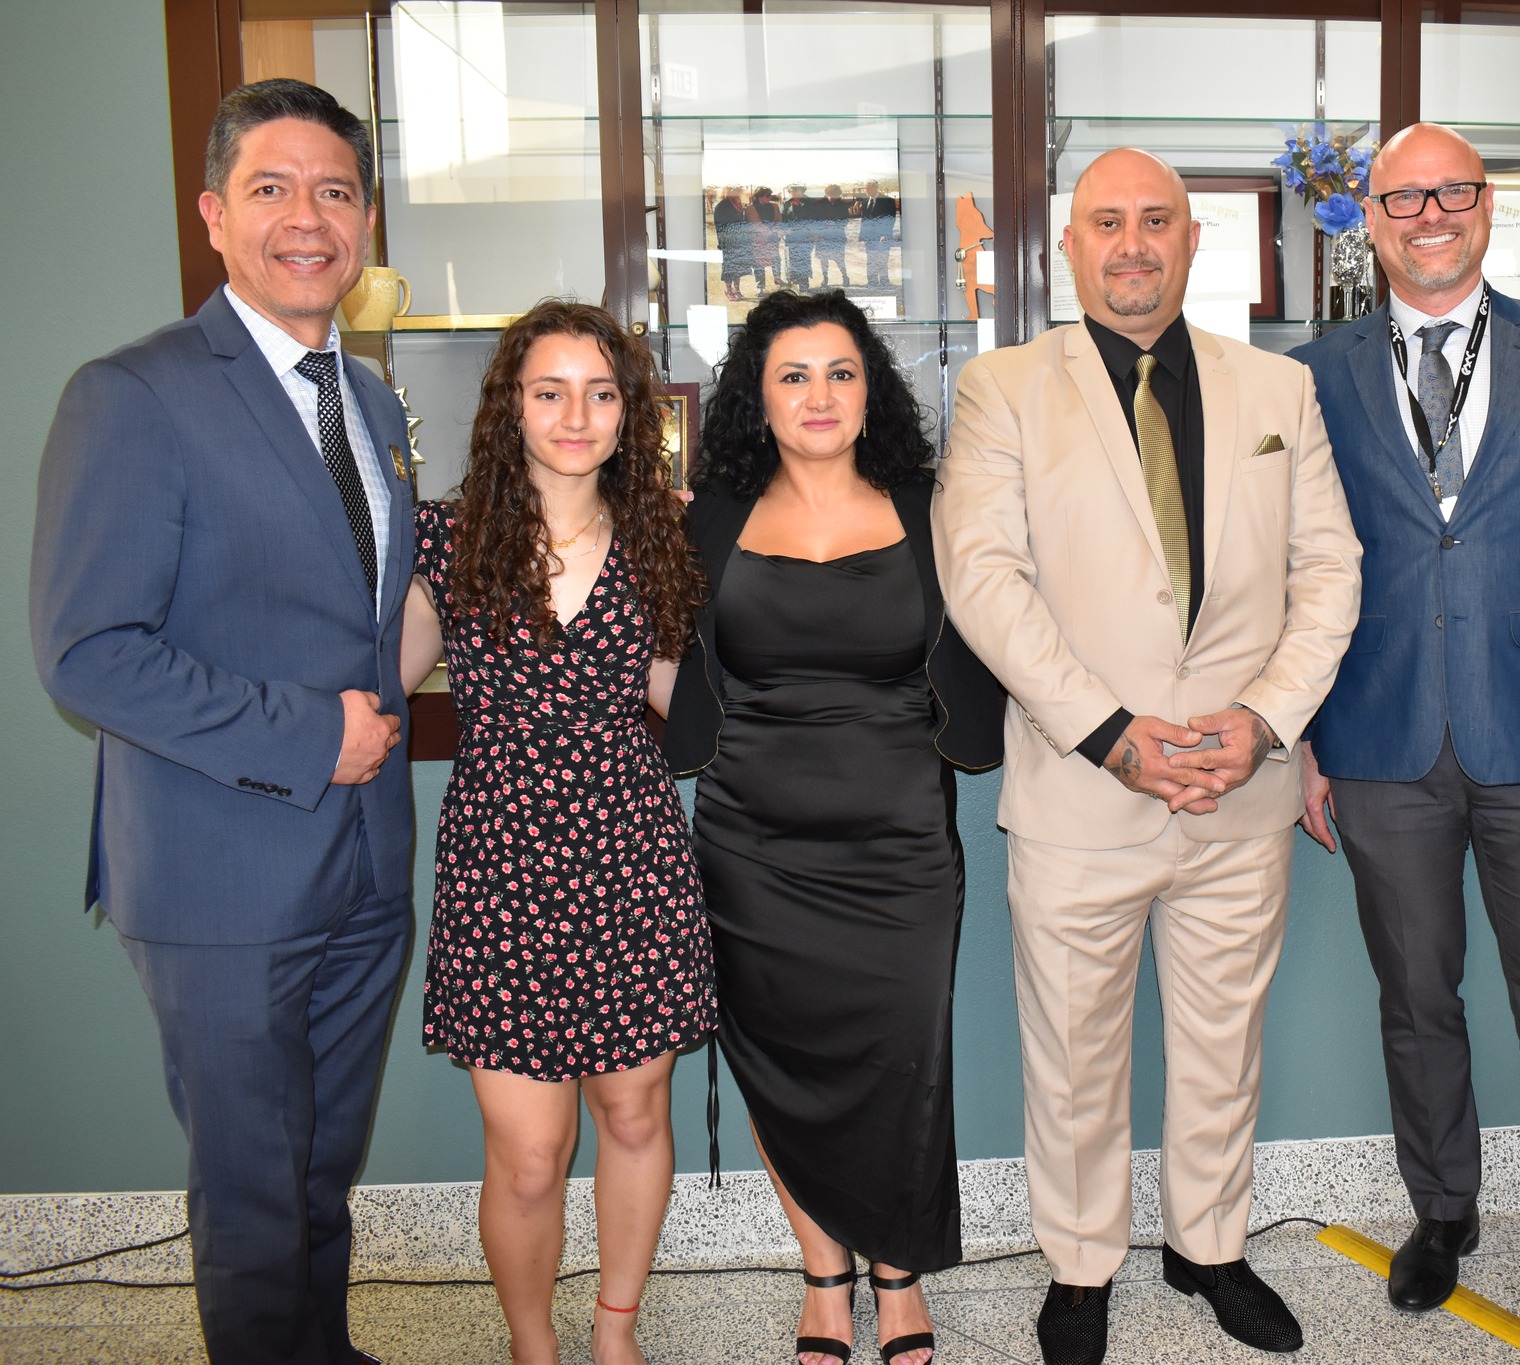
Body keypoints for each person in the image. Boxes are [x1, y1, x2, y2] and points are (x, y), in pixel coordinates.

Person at [934, 148, 1361, 1365]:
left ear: (1191, 242)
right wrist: (1112, 735)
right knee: (1071, 1058)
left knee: (1224, 1045)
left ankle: (1209, 1247)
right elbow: (982, 579)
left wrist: (1266, 719)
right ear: (1069, 247)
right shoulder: (1001, 387)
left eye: (1156, 222)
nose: (1132, 244)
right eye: (1106, 223)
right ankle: (1079, 1269)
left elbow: (1327, 570)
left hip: (1239, 790)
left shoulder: (1273, 391)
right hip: (1082, 791)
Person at [29, 78, 412, 1363]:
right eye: (271, 188)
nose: (308, 219)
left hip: (362, 868)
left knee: (315, 1174)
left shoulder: (360, 398)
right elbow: (90, 655)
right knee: (251, 1199)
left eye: (336, 192)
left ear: (363, 221)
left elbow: (359, 613)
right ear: (212, 213)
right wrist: (312, 734)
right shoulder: (131, 395)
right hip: (218, 877)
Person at [1289, 123, 1520, 1365]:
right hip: (1378, 738)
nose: (1428, 213)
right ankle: (1441, 1211)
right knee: (1414, 1001)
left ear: (1485, 205)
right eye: (1404, 197)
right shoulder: (1315, 370)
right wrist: (1300, 737)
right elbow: (1294, 569)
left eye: (1450, 192)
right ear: (1371, 217)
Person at [665, 288, 1005, 1365]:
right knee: (779, 1063)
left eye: (842, 372)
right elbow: (659, 661)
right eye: (794, 376)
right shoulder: (708, 515)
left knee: (904, 1060)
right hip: (749, 849)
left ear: (872, 390)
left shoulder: (930, 506)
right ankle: (824, 1275)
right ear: (755, 400)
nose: (820, 396)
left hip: (900, 843)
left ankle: (896, 1279)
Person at [397, 300, 716, 1364]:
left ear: (630, 413)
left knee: (632, 1115)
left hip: (630, 860)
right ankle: (534, 1350)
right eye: (549, 392)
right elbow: (375, 687)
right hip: (504, 869)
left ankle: (614, 1331)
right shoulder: (446, 540)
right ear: (511, 409)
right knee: (529, 1154)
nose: (575, 414)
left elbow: (690, 701)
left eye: (600, 391)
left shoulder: (663, 539)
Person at [856, 179, 900, 288]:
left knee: (882, 259)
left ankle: (884, 282)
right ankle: (871, 282)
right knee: (870, 260)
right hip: (868, 236)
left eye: (868, 188)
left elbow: (890, 219)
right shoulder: (866, 200)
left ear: (875, 188)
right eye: (865, 188)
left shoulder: (887, 201)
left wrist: (885, 234)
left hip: (882, 236)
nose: (865, 190)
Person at [713, 185, 751, 302]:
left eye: (736, 190)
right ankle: (728, 290)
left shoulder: (737, 203)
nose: (735, 192)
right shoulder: (722, 206)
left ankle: (737, 290)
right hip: (728, 242)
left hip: (740, 241)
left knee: (739, 267)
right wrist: (722, 242)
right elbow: (720, 226)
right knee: (729, 268)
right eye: (732, 190)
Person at [815, 184, 853, 287]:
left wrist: (835, 224)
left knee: (840, 259)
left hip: (837, 236)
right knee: (823, 260)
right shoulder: (819, 203)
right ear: (827, 193)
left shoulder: (842, 204)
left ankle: (845, 277)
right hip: (822, 235)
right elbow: (815, 219)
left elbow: (845, 220)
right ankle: (825, 279)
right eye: (832, 195)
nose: (834, 198)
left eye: (836, 196)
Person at [783, 185, 817, 290]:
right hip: (791, 236)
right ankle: (795, 280)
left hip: (806, 236)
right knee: (793, 259)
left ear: (801, 191)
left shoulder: (811, 202)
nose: (793, 193)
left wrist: (814, 233)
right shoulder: (786, 202)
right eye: (791, 191)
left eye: (795, 191)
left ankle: (804, 282)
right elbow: (783, 218)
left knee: (804, 258)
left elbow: (815, 218)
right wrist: (784, 229)